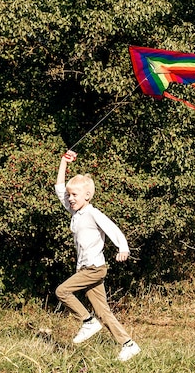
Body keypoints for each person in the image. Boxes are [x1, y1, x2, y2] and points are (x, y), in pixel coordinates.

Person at [54, 150, 141, 362]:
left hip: (94, 268)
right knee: (104, 312)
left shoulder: (92, 213)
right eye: (70, 195)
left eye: (75, 195)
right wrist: (63, 162)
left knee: (62, 291)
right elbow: (58, 189)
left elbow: (112, 229)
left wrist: (123, 248)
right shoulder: (75, 212)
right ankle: (129, 345)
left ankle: (87, 321)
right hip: (85, 269)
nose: (70, 198)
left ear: (87, 196)